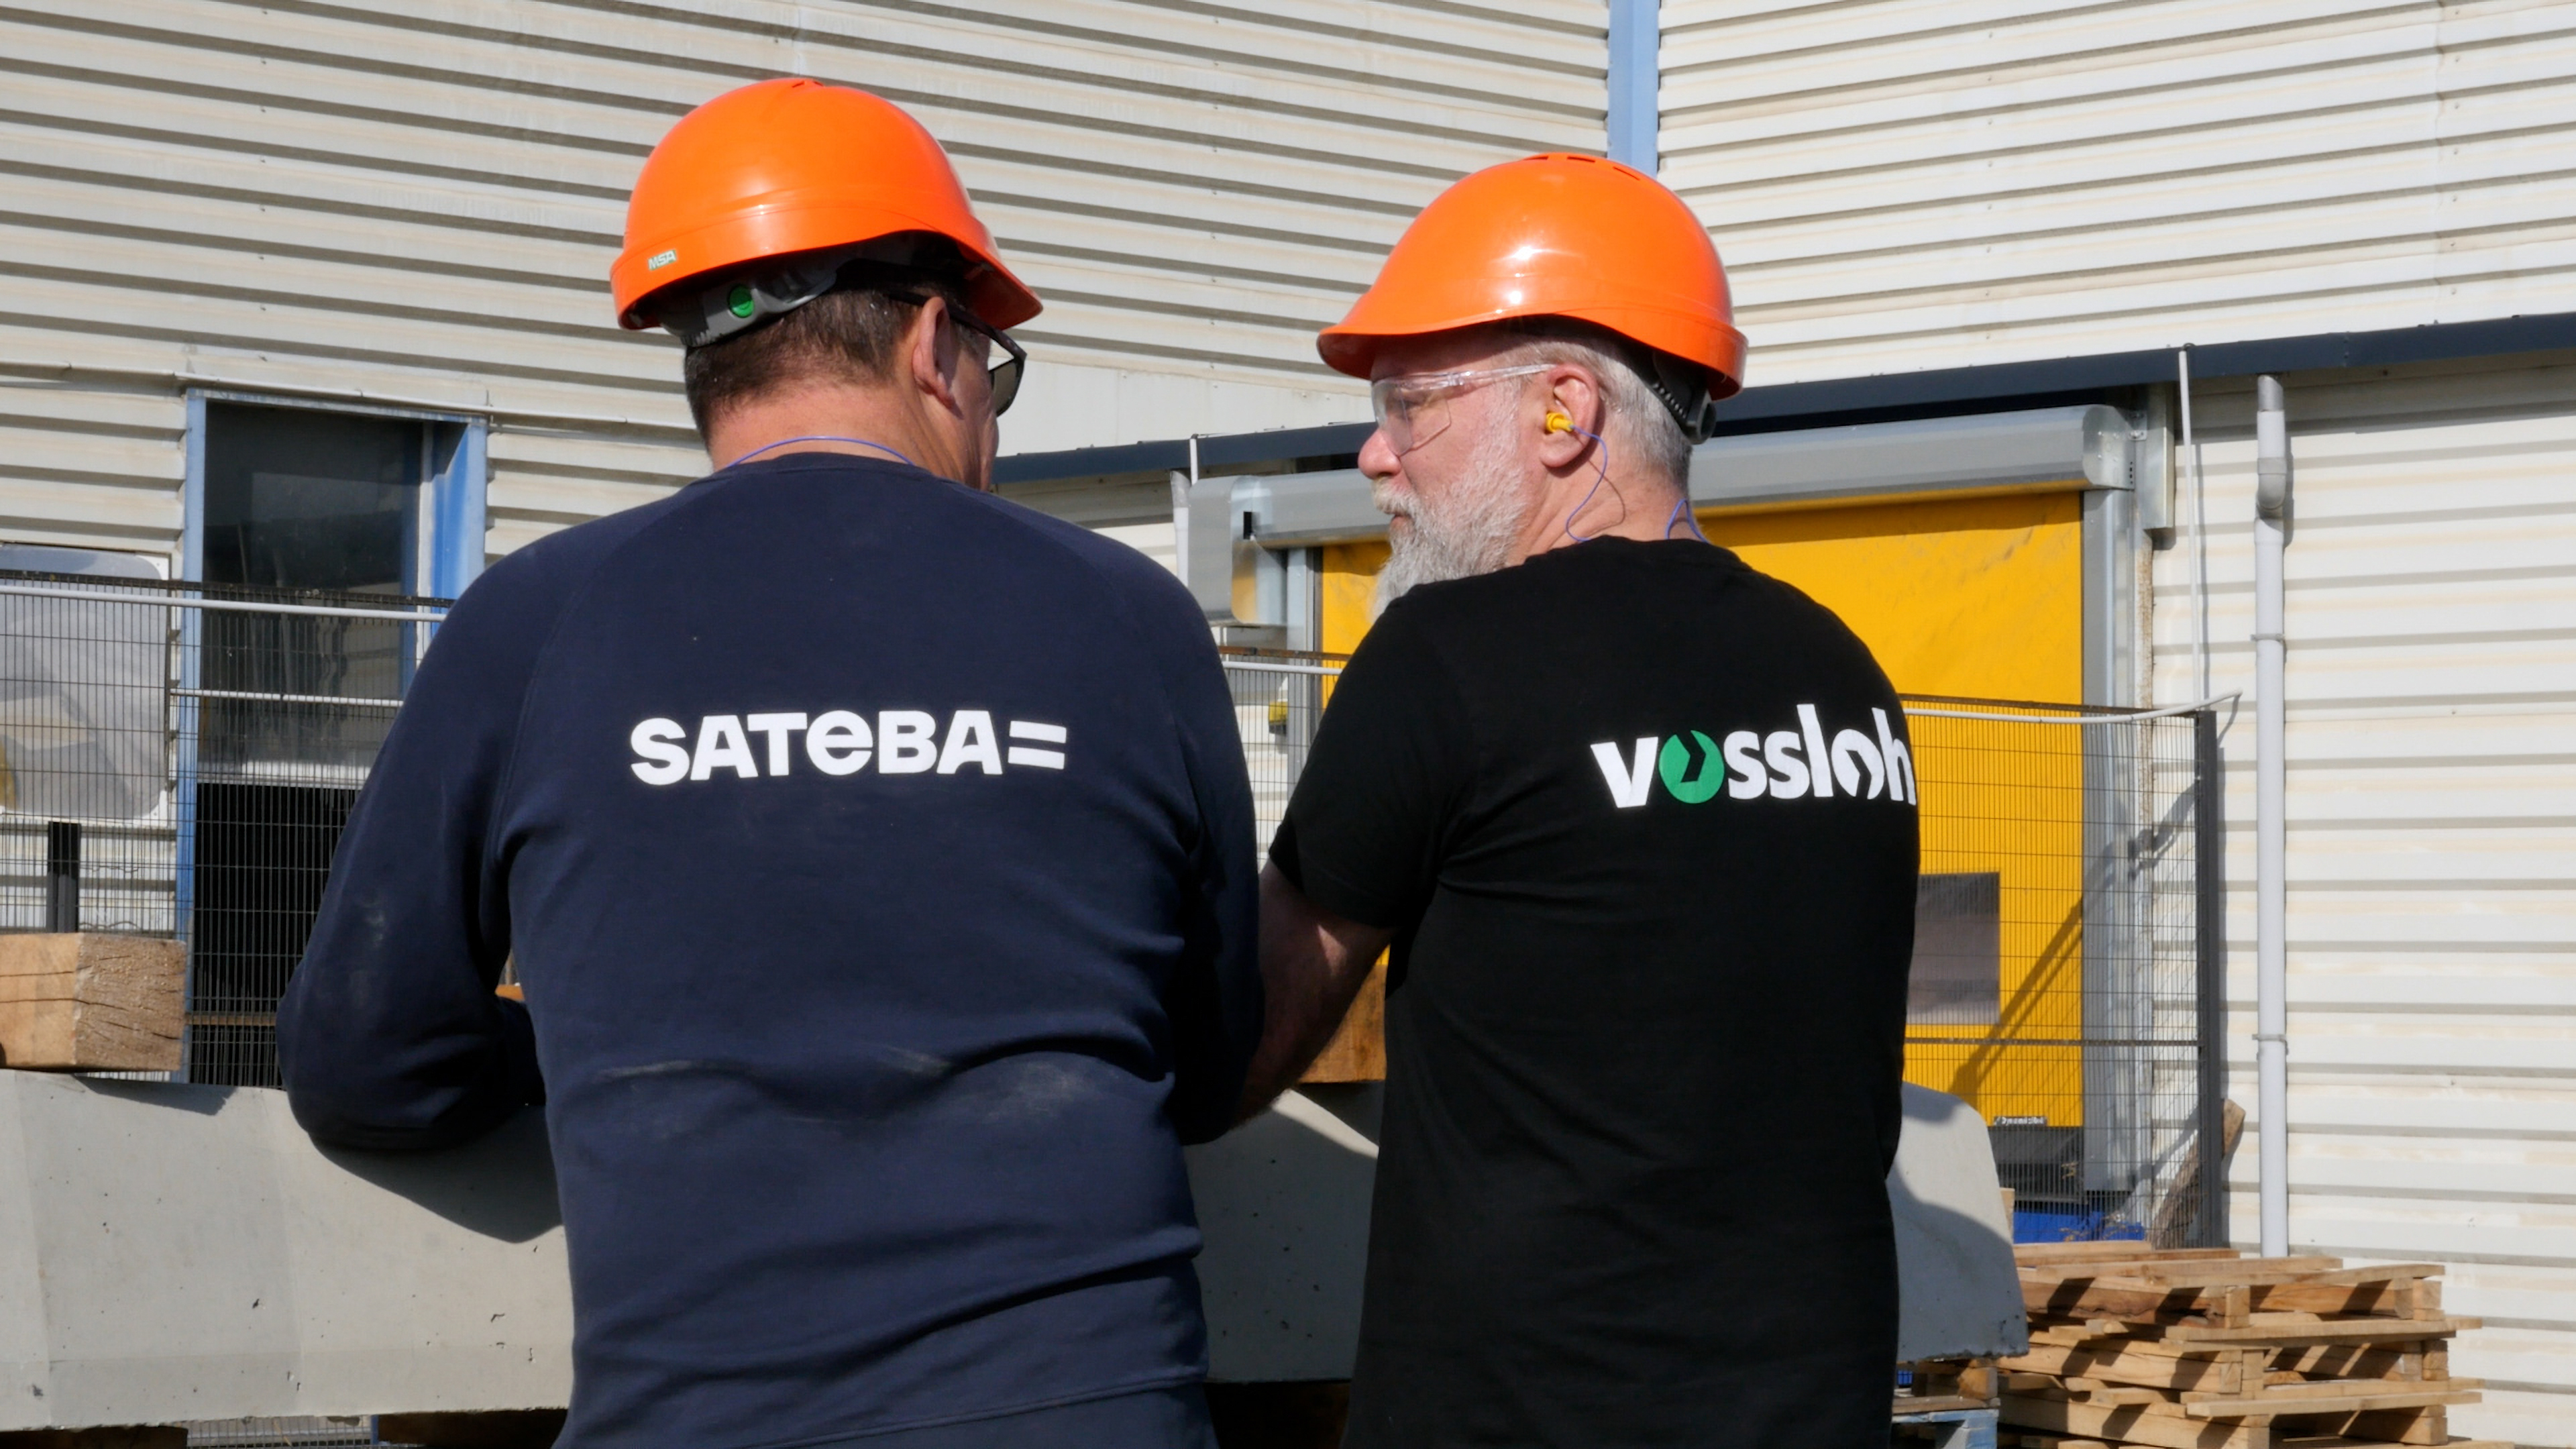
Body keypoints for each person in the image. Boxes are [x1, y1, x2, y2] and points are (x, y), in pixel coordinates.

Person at [277, 78, 1260, 1449]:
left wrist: (591, 1050)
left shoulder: (539, 618)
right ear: (935, 343)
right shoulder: (1128, 614)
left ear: (699, 358)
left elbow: (365, 1064)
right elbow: (1212, 1066)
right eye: (994, 374)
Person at [1238, 154, 1921, 1448]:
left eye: (1410, 406)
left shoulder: (1447, 658)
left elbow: (1253, 1028)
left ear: (1563, 411)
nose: (1376, 456)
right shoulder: (1842, 673)